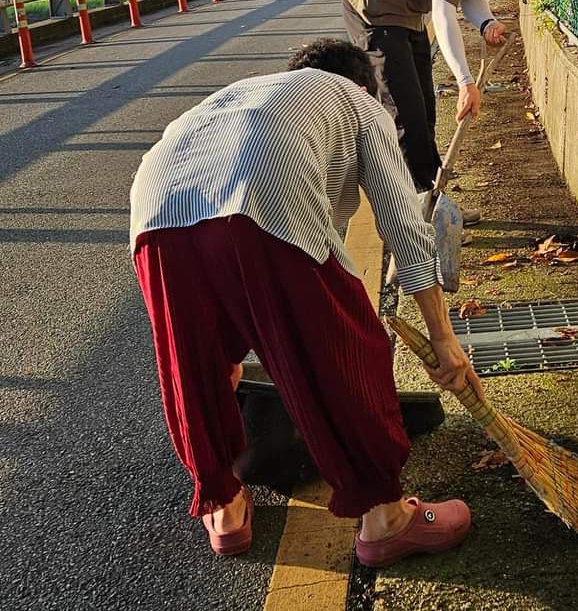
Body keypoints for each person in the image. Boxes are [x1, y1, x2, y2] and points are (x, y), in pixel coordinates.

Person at [129, 37, 481, 566]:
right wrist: (443, 340)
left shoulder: (247, 95)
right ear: (366, 85)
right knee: (349, 348)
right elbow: (405, 228)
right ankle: (386, 519)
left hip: (154, 213)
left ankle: (224, 508)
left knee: (198, 364)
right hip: (257, 200)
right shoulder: (358, 102)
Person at [339, 0, 559, 199]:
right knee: (405, 114)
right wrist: (465, 82)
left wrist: (486, 23)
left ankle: (434, 200)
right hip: (372, 4)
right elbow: (444, 13)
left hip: (408, 10)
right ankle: (415, 216)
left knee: (425, 111)